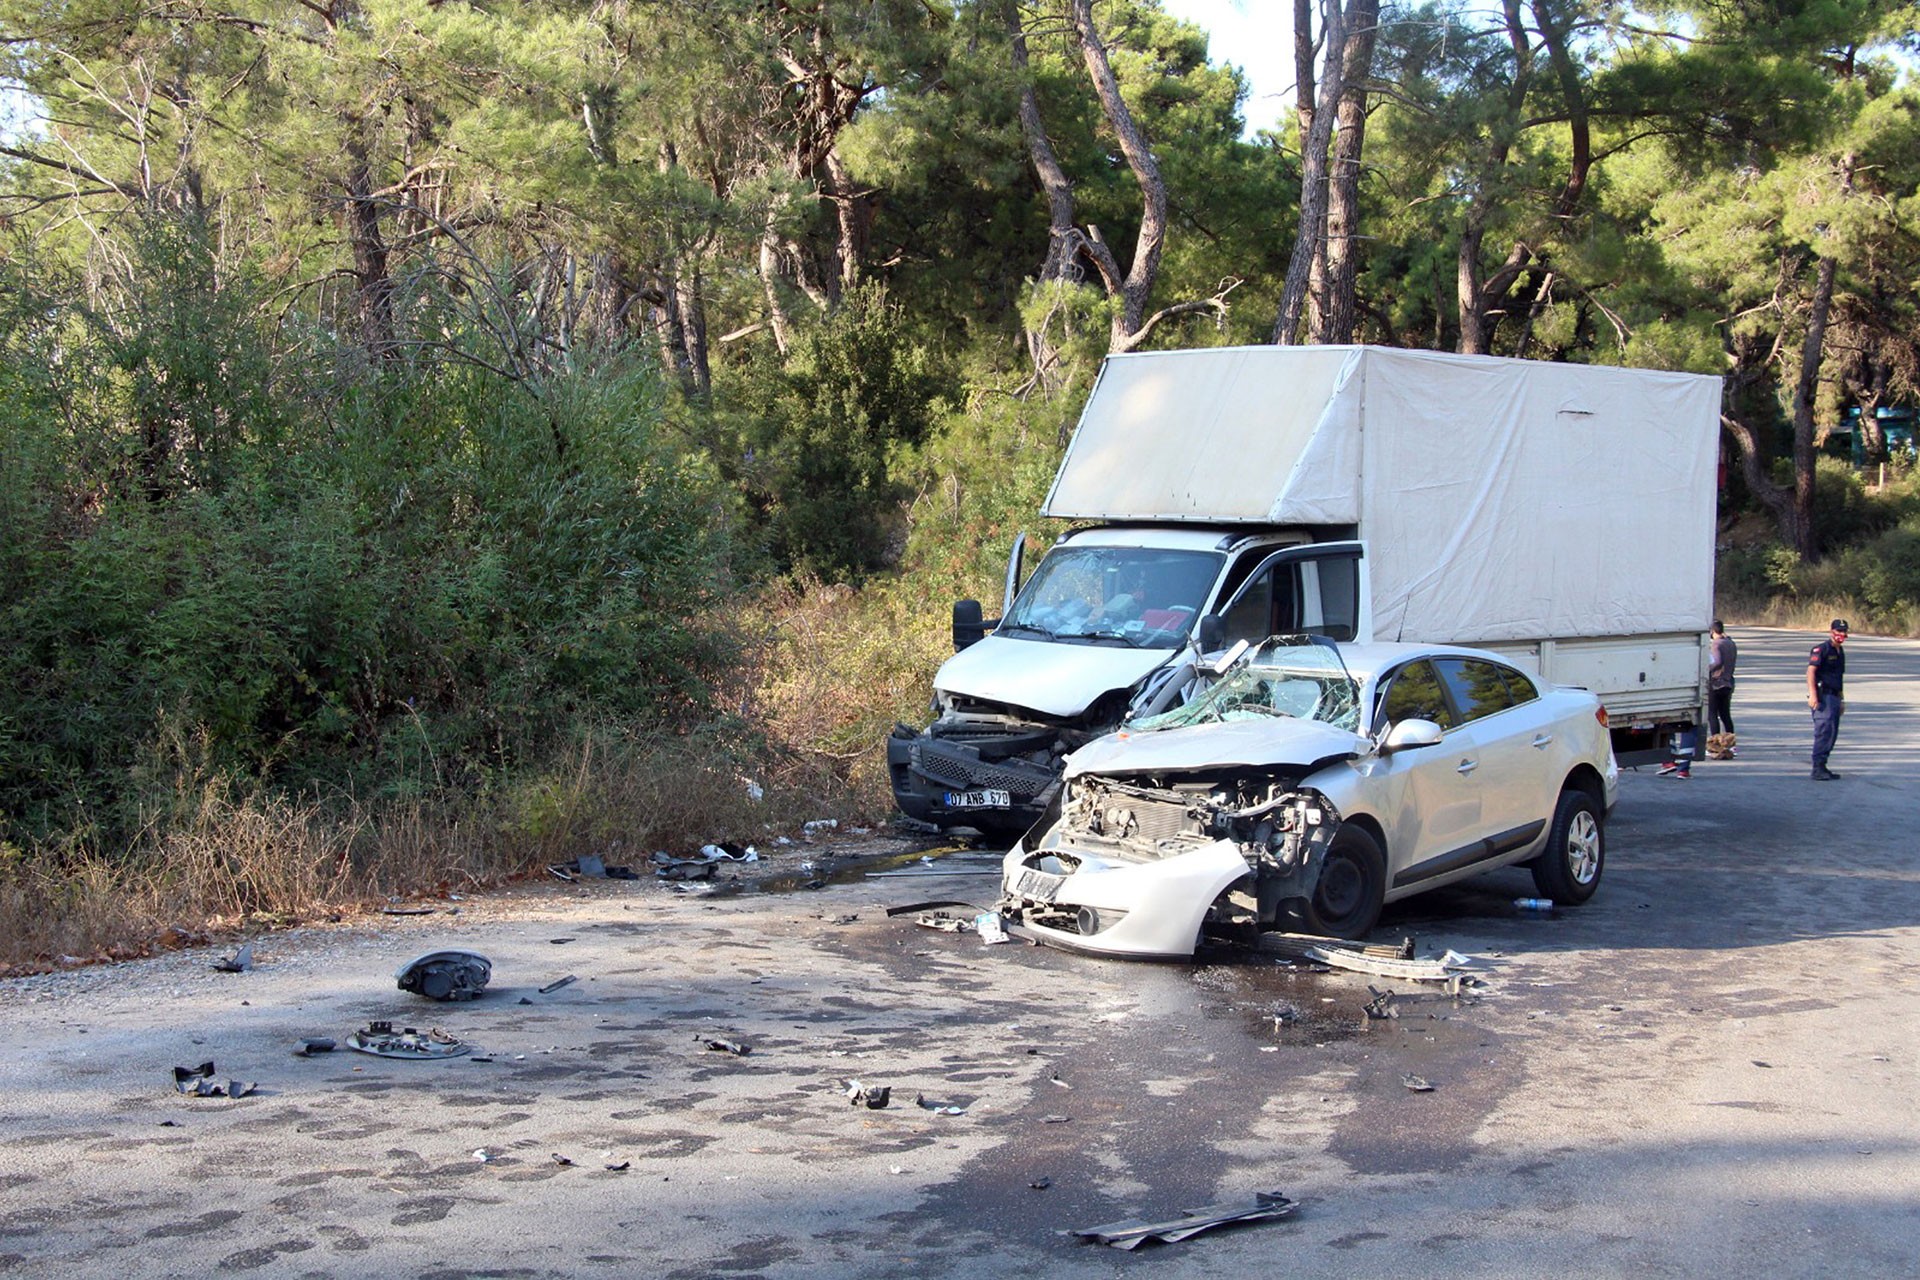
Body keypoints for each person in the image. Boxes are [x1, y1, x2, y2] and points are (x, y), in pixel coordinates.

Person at [1807, 618, 1848, 781]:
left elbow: (1839, 677)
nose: (1841, 635)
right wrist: (1813, 694)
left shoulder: (1840, 652)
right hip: (1823, 696)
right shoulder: (1821, 649)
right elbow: (1810, 672)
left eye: (1844, 632)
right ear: (1832, 632)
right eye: (1838, 631)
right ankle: (1817, 768)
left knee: (1832, 732)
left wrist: (1842, 699)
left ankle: (1823, 765)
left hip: (1834, 696)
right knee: (1824, 731)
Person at [1706, 620, 1738, 758]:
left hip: (1716, 683)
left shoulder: (1716, 644)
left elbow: (1717, 661)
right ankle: (1732, 744)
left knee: (1712, 714)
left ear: (1712, 631)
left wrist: (1706, 669)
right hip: (1728, 682)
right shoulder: (1730, 643)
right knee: (1725, 715)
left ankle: (1715, 744)